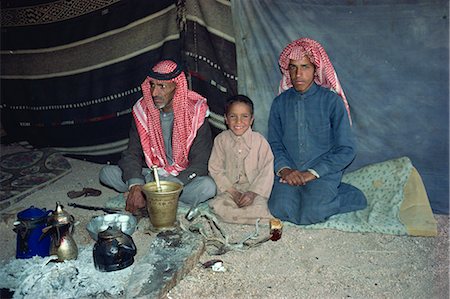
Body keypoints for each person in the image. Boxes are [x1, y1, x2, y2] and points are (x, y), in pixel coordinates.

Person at [268, 37, 367, 225]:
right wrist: (286, 170)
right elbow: (274, 144)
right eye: (293, 67)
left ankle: (343, 194)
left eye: (305, 66)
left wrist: (314, 172)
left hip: (323, 172)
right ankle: (311, 193)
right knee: (280, 209)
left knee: (313, 213)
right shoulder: (279, 103)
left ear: (315, 70)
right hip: (291, 172)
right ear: (287, 71)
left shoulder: (331, 102)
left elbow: (346, 149)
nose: (298, 74)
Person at [99, 59, 216, 214]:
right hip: (152, 175)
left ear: (177, 86)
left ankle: (154, 198)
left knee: (208, 187)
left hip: (181, 179)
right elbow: (131, 153)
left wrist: (171, 185)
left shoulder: (196, 114)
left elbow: (200, 163)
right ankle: (156, 198)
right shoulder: (142, 111)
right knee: (106, 173)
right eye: (152, 85)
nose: (154, 93)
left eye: (162, 86)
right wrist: (136, 185)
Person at [208, 95, 274, 224]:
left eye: (244, 116)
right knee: (218, 205)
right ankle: (245, 217)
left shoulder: (260, 141)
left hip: (254, 190)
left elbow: (267, 170)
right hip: (230, 190)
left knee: (262, 207)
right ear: (226, 119)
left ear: (251, 120)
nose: (239, 122)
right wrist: (233, 192)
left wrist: (252, 193)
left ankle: (240, 216)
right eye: (233, 116)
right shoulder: (221, 140)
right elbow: (215, 169)